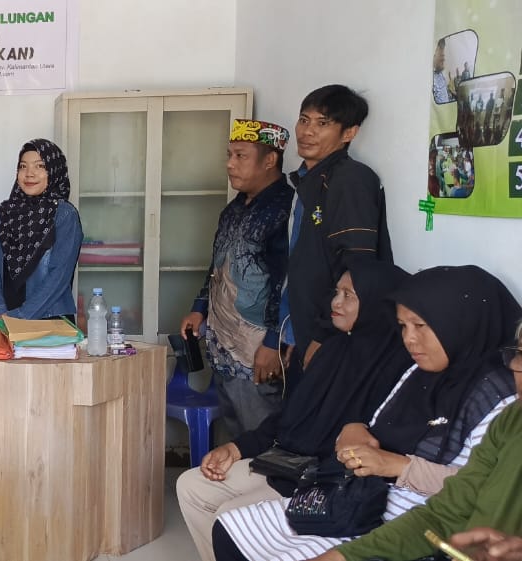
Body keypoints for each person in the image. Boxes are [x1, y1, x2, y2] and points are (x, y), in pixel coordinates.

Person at [213, 265, 520, 561]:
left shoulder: (498, 399)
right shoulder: (415, 373)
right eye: (403, 326)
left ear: (460, 323)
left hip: (405, 508)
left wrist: (393, 464)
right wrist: (355, 429)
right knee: (230, 531)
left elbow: (470, 492)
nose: (409, 339)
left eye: (420, 326)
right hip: (362, 495)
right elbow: (365, 426)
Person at [177, 261, 411, 561]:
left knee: (227, 514)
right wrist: (236, 449)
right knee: (191, 486)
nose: (335, 303)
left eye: (348, 296)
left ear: (377, 302)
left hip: (324, 481)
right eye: (337, 292)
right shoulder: (335, 349)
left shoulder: (397, 368)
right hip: (288, 465)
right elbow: (290, 416)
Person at [306, 323, 522, 561]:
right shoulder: (511, 421)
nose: (409, 338)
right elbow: (442, 516)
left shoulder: (493, 397)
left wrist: (399, 466)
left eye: (421, 325)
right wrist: (341, 557)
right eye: (521, 354)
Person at [180, 119, 294, 435]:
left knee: (260, 437)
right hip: (223, 341)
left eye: (241, 156)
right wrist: (199, 308)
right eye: (229, 155)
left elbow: (289, 283)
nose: (230, 164)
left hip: (257, 349)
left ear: (270, 160)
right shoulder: (234, 209)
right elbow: (217, 265)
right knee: (235, 433)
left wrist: (273, 344)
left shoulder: (285, 211)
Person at [281, 85, 393, 374]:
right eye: (304, 120)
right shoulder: (309, 180)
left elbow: (357, 270)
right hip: (308, 329)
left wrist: (322, 336)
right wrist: (294, 332)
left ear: (349, 133)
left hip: (333, 338)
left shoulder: (350, 180)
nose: (307, 131)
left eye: (322, 123)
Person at [0, 138, 81, 321]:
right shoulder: (4, 213)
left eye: (40, 166)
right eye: (23, 166)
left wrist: (21, 316)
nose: (29, 174)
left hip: (49, 320)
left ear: (54, 171)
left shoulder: (65, 215)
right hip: (4, 318)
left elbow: (59, 276)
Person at [433, 37, 455, 104]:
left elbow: (446, 98)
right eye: (441, 56)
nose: (444, 59)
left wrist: (451, 91)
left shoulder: (440, 74)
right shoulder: (429, 79)